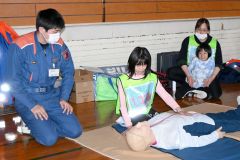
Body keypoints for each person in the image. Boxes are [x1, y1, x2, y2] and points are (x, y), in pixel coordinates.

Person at [6, 8, 82, 146]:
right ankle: (33, 123)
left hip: (51, 95)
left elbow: (68, 72)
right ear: (42, 30)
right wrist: (32, 105)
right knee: (49, 140)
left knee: (75, 131)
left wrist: (64, 98)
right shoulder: (20, 46)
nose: (58, 35)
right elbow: (13, 81)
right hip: (27, 98)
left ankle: (44, 124)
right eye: (55, 31)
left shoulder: (59, 45)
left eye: (59, 31)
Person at [126, 100, 240, 151]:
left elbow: (166, 117)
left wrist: (187, 114)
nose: (139, 124)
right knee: (233, 123)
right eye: (138, 128)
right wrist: (215, 135)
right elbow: (195, 141)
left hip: (195, 118)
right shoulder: (170, 140)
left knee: (224, 115)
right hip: (206, 125)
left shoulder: (150, 127)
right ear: (145, 137)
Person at [115, 47, 185, 128]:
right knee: (143, 132)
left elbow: (164, 94)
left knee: (164, 125)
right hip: (131, 114)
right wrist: (128, 124)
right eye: (138, 65)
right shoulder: (123, 80)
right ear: (131, 63)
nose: (141, 68)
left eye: (144, 64)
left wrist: (177, 108)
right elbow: (122, 106)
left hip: (146, 111)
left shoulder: (153, 78)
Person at [167, 18, 223, 100]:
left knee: (216, 95)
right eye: (198, 29)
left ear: (208, 31)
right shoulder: (188, 40)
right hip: (191, 72)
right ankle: (192, 85)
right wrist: (189, 76)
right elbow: (182, 60)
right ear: (195, 29)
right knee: (171, 72)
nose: (201, 32)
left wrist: (211, 78)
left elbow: (218, 64)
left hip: (207, 74)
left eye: (204, 30)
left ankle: (195, 89)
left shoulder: (215, 43)